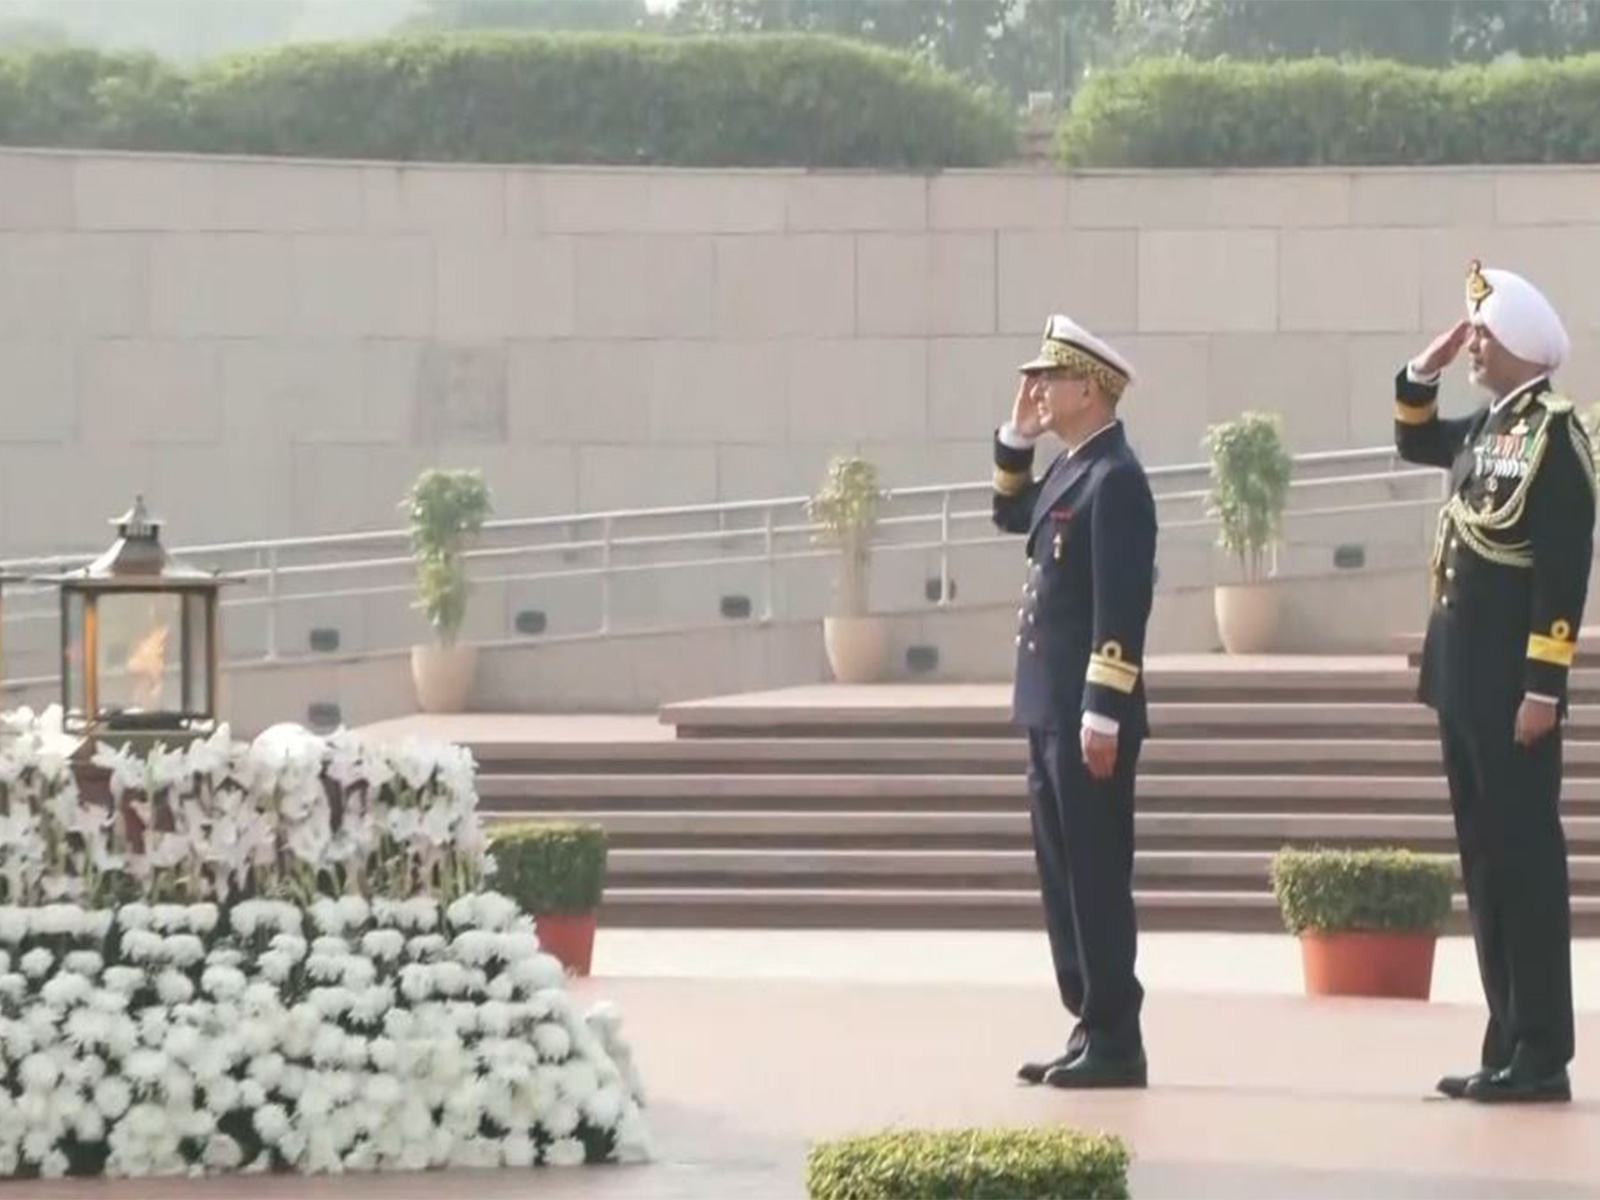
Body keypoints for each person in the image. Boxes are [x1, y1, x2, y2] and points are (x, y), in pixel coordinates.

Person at [1396, 260, 1597, 1104]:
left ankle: (1542, 1050)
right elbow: (1414, 437)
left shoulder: (1555, 433)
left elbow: (1562, 569)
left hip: (1513, 691)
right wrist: (1423, 370)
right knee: (1483, 864)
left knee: (1525, 861)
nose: (1473, 344)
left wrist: (1544, 689)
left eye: (1482, 333)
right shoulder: (1484, 428)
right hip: (1460, 679)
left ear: (1520, 342)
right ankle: (1505, 1037)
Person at [993, 314, 1157, 1090]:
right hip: (1046, 708)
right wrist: (1018, 440)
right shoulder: (1071, 469)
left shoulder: (1116, 478)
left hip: (1084, 715)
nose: (1040, 390)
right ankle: (1088, 1020)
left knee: (1095, 876)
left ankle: (1117, 1039)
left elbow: (1119, 606)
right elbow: (1010, 514)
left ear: (1089, 389)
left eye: (1052, 380)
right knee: (1061, 878)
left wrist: (1103, 710)